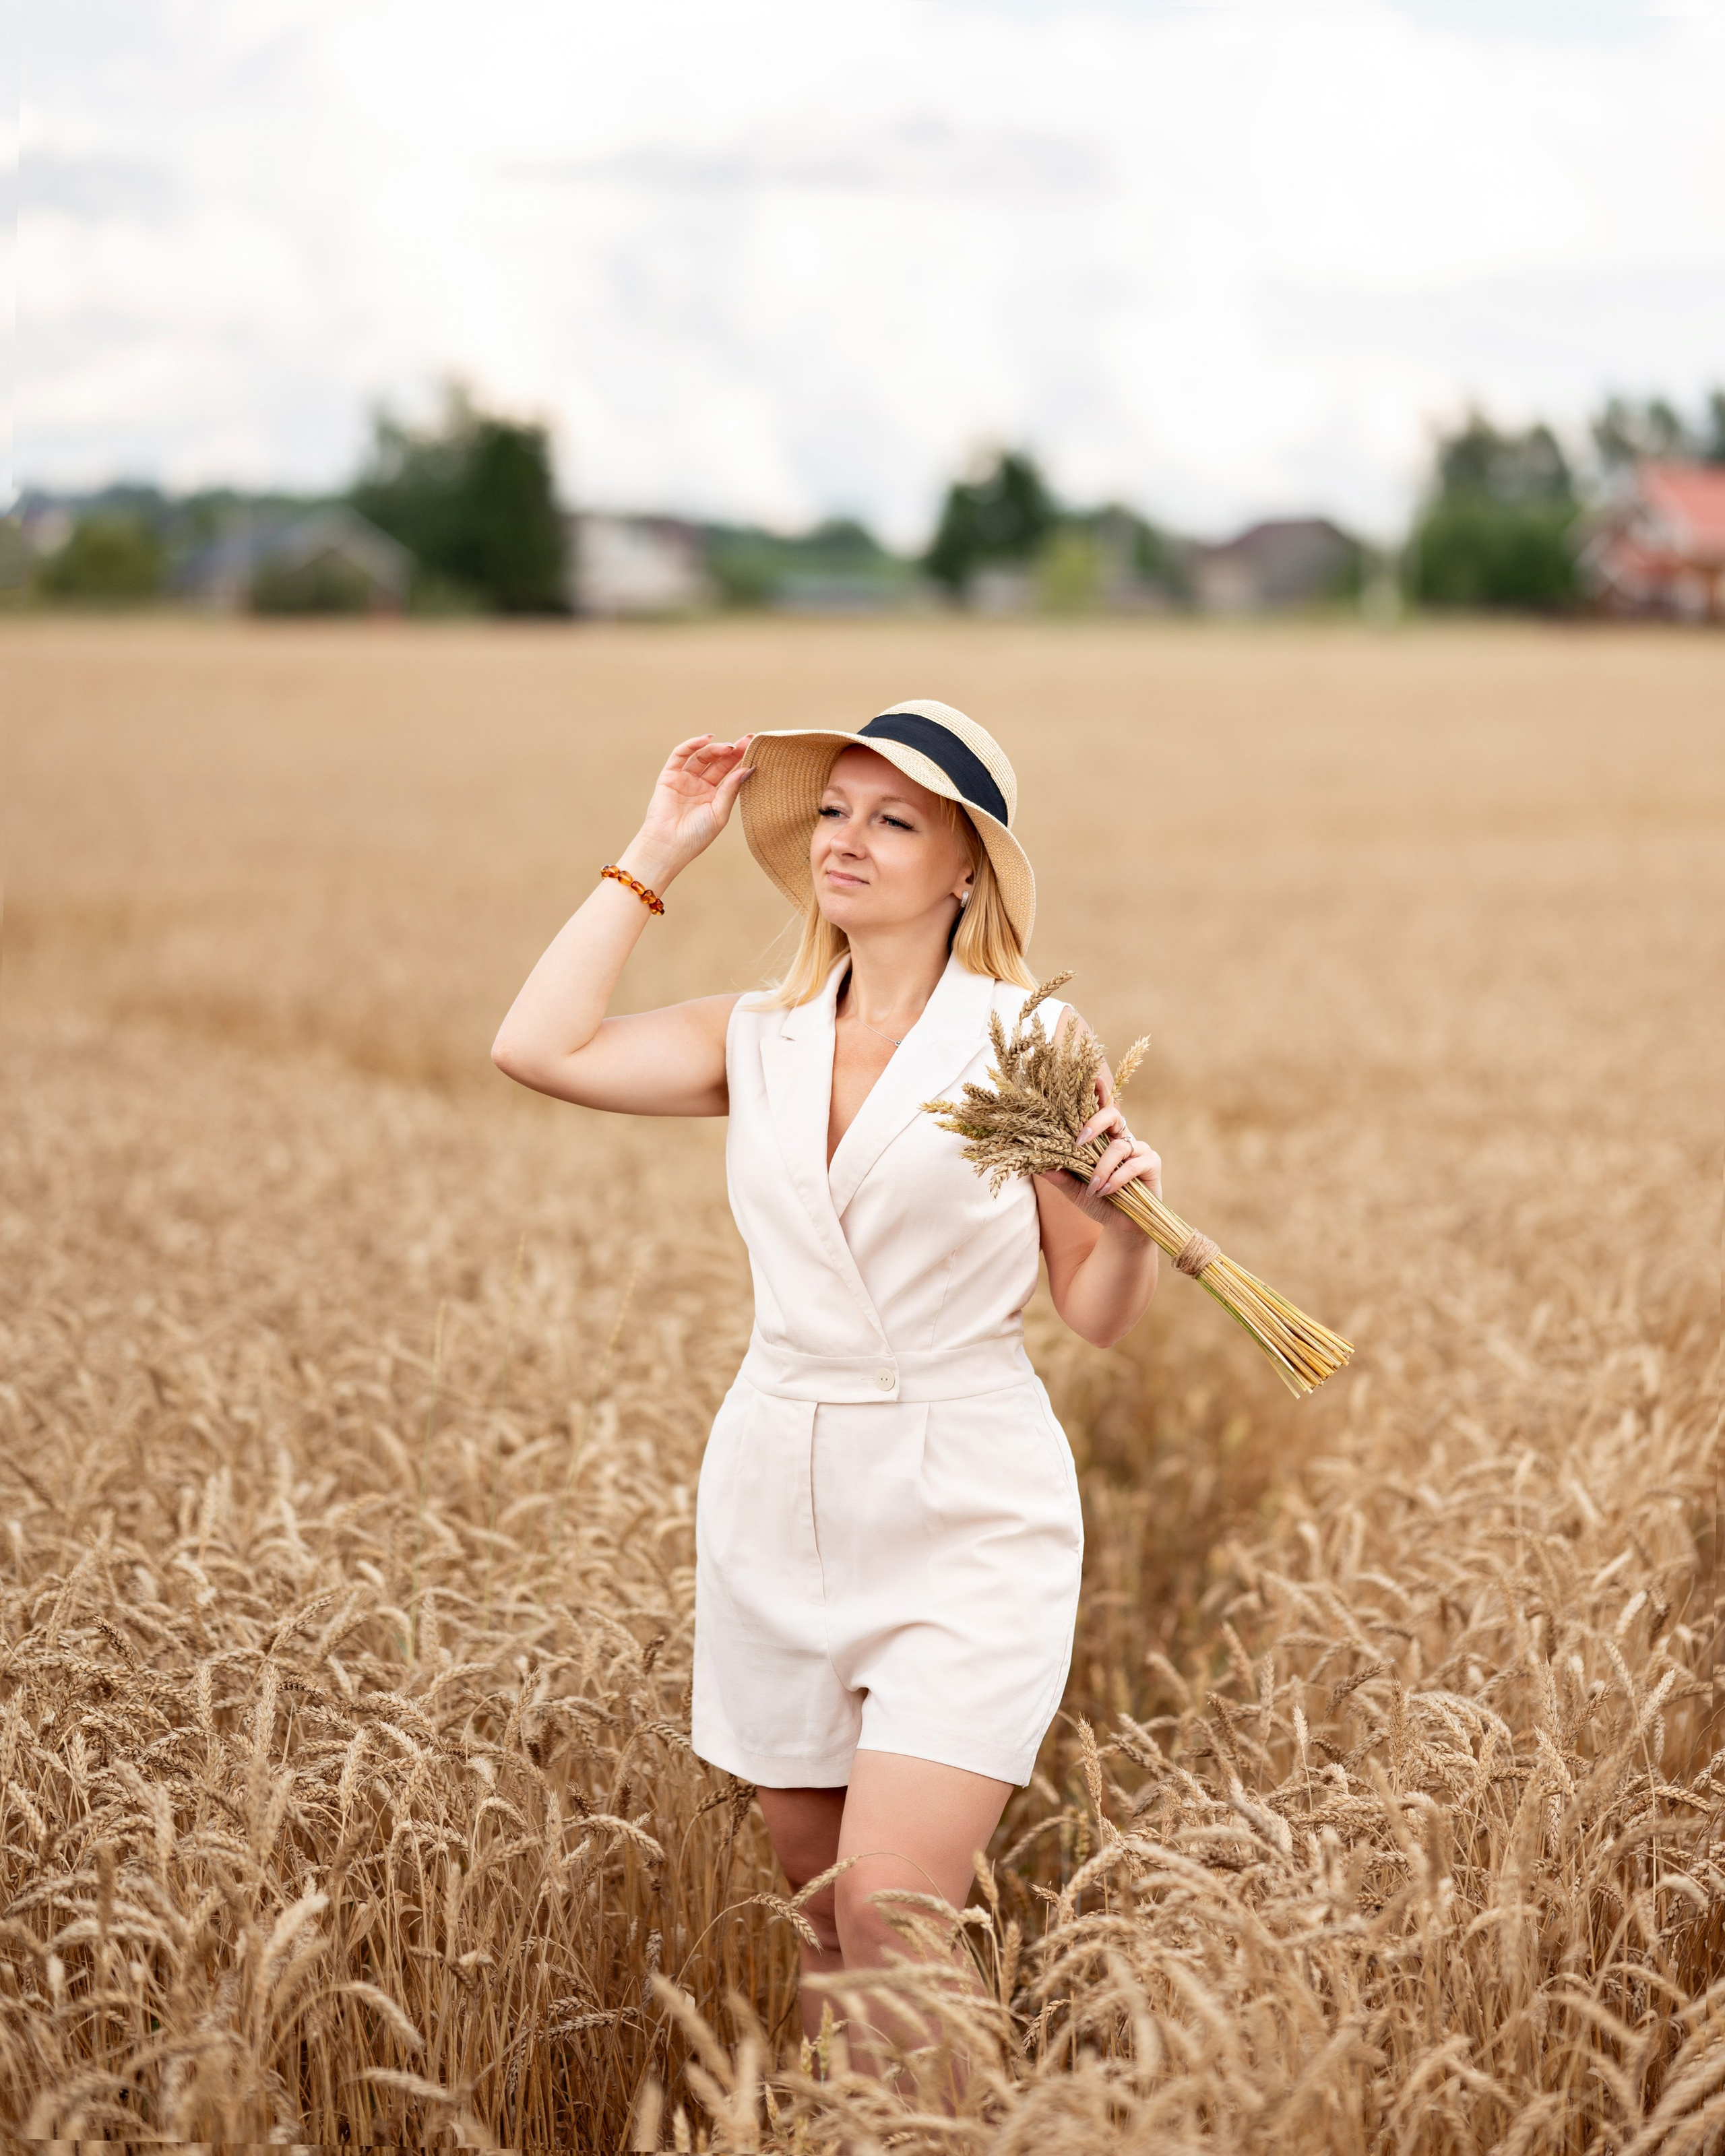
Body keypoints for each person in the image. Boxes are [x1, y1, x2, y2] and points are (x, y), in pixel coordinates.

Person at [491, 699, 1162, 2055]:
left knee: (894, 1913)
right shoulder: (758, 1032)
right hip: (777, 1490)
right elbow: (537, 1045)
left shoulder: (1028, 1042)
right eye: (834, 812)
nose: (844, 839)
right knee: (818, 1921)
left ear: (965, 864)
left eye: (893, 818)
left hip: (965, 1500)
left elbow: (1090, 1309)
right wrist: (650, 853)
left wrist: (1137, 1217)